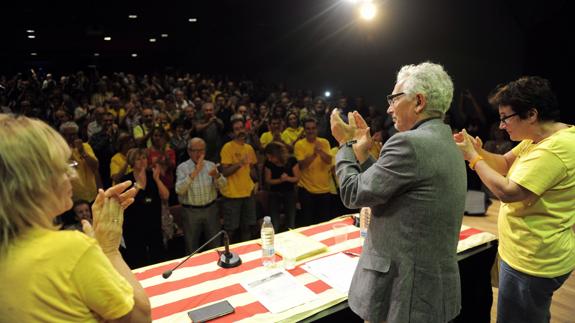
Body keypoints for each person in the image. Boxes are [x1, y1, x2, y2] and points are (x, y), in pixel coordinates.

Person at [330, 62, 467, 322]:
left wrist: (345, 146)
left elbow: (352, 193)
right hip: (429, 288)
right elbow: (391, 184)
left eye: (394, 99)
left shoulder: (409, 143)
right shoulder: (445, 141)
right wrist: (364, 153)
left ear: (418, 102)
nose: (389, 108)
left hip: (403, 293)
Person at [0, 114, 150, 322]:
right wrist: (108, 250)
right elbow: (140, 318)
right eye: (61, 168)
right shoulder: (71, 249)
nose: (72, 176)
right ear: (29, 182)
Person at [454, 76, 574, 323]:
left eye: (505, 118)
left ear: (531, 114)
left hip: (533, 260)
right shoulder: (538, 138)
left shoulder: (554, 149)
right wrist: (477, 151)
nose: (501, 126)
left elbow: (508, 192)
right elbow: (505, 163)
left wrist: (474, 160)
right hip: (526, 252)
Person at [175, 138, 227, 253]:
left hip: (211, 210)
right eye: (195, 150)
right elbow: (179, 190)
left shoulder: (211, 165)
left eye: (201, 150)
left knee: (215, 245)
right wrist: (195, 172)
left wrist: (217, 176)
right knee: (191, 247)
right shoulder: (182, 168)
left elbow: (223, 186)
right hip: (191, 212)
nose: (198, 153)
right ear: (189, 151)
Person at [121, 148, 170, 269]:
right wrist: (139, 186)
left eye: (144, 158)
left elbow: (166, 196)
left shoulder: (152, 175)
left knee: (158, 259)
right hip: (134, 227)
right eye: (138, 159)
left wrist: (157, 179)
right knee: (138, 261)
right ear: (132, 162)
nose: (142, 161)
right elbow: (123, 202)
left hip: (153, 224)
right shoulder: (126, 180)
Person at [263, 141, 300, 232]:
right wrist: (280, 180)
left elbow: (297, 178)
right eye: (268, 157)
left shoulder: (291, 160)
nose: (270, 159)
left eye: (271, 157)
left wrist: (287, 178)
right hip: (274, 193)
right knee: (274, 222)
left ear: (277, 154)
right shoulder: (268, 163)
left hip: (289, 193)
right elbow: (268, 180)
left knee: (290, 222)